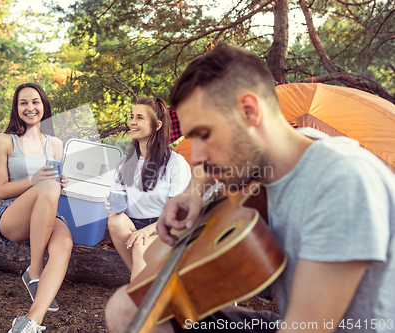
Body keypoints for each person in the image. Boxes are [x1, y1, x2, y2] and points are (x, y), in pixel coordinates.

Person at [105, 43, 395, 333]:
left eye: (205, 134)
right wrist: (192, 193)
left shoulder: (342, 182)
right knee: (127, 308)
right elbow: (205, 169)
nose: (199, 155)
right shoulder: (284, 152)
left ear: (249, 111)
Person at [0, 83, 73, 333]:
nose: (30, 107)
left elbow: (52, 187)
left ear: (44, 106)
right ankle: (35, 269)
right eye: (23, 103)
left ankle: (31, 322)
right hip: (13, 214)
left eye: (35, 102)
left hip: (48, 212)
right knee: (48, 183)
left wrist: (62, 182)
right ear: (16, 109)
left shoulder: (56, 144)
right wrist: (37, 180)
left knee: (64, 244)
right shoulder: (4, 141)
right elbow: (2, 190)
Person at [106, 97, 191, 281]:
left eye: (140, 118)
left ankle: (137, 296)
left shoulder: (176, 163)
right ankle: (146, 285)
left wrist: (148, 231)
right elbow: (119, 204)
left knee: (141, 243)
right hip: (134, 225)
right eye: (132, 117)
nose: (133, 122)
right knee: (115, 220)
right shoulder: (125, 163)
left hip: (167, 228)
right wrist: (112, 204)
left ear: (157, 125)